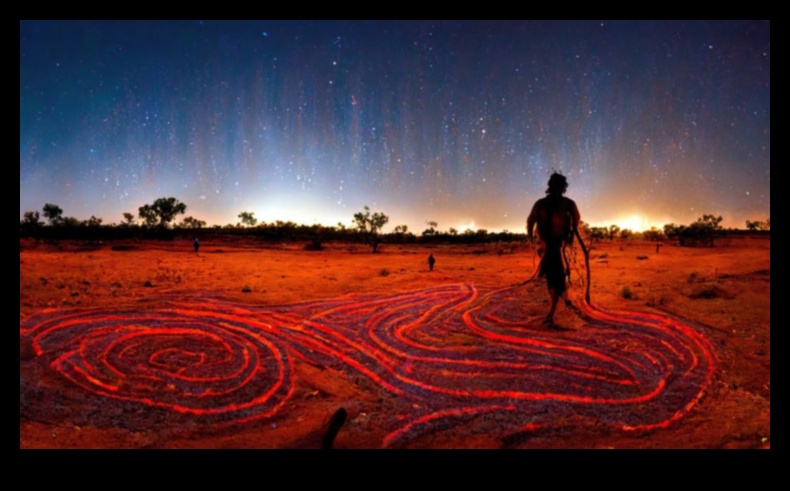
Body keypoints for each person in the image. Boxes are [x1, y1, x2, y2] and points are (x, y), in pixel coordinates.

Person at [526, 172, 581, 327]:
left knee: (555, 278)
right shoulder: (548, 204)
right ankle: (552, 311)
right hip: (548, 246)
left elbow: (575, 220)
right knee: (554, 277)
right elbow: (531, 221)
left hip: (556, 246)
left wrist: (569, 234)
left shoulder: (566, 204)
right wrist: (533, 239)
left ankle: (552, 313)